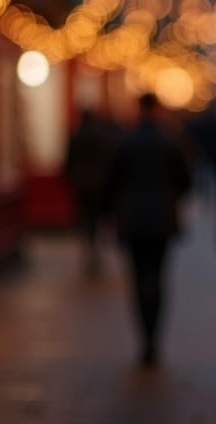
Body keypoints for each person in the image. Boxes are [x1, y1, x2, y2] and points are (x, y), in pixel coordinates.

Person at [103, 92, 192, 368]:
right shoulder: (171, 141)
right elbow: (186, 180)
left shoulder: (125, 141)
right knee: (157, 275)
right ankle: (154, 337)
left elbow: (111, 181)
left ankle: (144, 336)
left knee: (138, 275)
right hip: (162, 219)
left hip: (132, 218)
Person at [63, 107, 119, 274]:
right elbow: (109, 159)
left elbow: (69, 161)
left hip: (81, 184)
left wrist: (70, 178)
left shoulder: (75, 136)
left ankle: (88, 245)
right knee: (96, 216)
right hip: (99, 184)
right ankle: (96, 247)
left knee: (85, 216)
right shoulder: (102, 137)